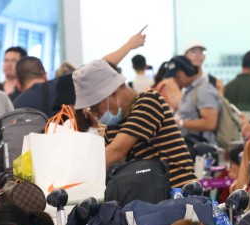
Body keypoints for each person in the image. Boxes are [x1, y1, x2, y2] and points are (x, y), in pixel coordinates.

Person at [72, 58, 196, 188]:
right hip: (149, 198)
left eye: (94, 107)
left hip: (178, 196)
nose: (94, 114)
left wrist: (76, 175)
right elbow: (106, 162)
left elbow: (116, 151)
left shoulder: (149, 102)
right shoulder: (114, 124)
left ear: (112, 94)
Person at [14, 29, 146, 115]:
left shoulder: (16, 104)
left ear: (19, 85)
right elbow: (101, 66)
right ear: (45, 75)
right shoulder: (62, 84)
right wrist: (129, 45)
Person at [166, 55, 219, 147]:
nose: (175, 81)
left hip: (199, 147)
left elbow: (210, 123)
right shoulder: (191, 91)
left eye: (176, 77)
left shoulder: (203, 90)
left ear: (183, 73)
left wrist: (180, 123)